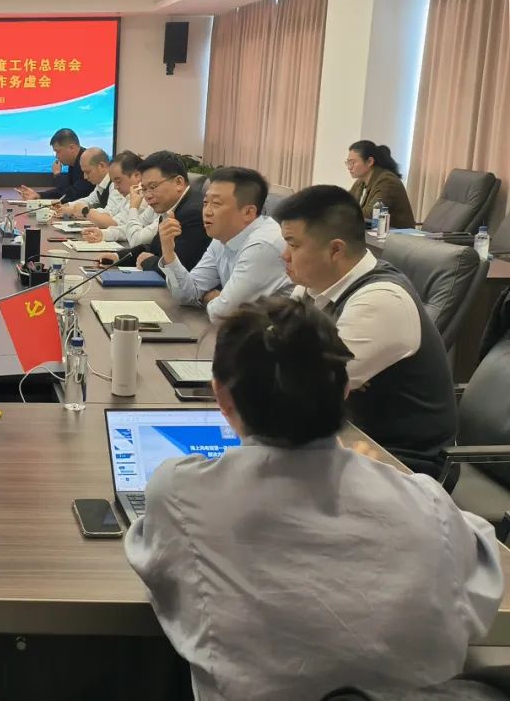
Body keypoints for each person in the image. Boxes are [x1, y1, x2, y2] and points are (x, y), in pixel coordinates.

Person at [126, 297, 503, 701]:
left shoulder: (181, 492)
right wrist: (387, 483)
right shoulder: (428, 504)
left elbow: (158, 567)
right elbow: (481, 589)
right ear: (345, 389)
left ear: (221, 396)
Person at [275, 185, 457, 475]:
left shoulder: (380, 301)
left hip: (400, 462)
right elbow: (270, 353)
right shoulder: (313, 287)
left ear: (335, 249)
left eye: (293, 245)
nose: (284, 255)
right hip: (343, 439)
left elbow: (302, 390)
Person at [159, 166, 291, 322]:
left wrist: (209, 298)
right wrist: (169, 253)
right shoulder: (222, 237)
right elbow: (187, 294)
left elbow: (222, 314)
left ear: (248, 212)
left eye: (216, 204)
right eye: (205, 202)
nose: (207, 212)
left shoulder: (263, 245)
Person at [96, 152, 212, 269]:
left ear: (179, 183)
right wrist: (118, 257)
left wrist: (147, 262)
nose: (148, 196)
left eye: (153, 187)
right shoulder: (170, 207)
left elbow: (179, 267)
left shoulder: (194, 213)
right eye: (144, 189)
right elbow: (154, 248)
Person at [346, 140, 416, 229]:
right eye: (348, 163)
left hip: (395, 235)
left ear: (369, 162)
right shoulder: (360, 182)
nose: (349, 167)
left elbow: (372, 214)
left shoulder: (387, 181)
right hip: (371, 233)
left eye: (352, 162)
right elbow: (345, 203)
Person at [16, 128, 94, 202]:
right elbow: (63, 190)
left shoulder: (87, 162)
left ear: (71, 148)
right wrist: (38, 195)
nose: (56, 156)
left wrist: (57, 175)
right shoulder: (74, 162)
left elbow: (71, 195)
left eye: (58, 151)